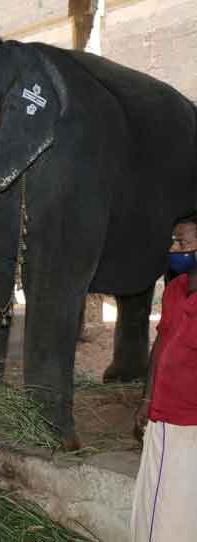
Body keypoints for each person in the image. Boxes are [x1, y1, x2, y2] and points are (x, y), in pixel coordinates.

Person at [132, 212, 197, 541]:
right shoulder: (175, 289)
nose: (173, 248)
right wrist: (146, 397)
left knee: (177, 506)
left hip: (189, 421)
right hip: (161, 415)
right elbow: (161, 345)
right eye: (173, 241)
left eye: (182, 242)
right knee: (153, 501)